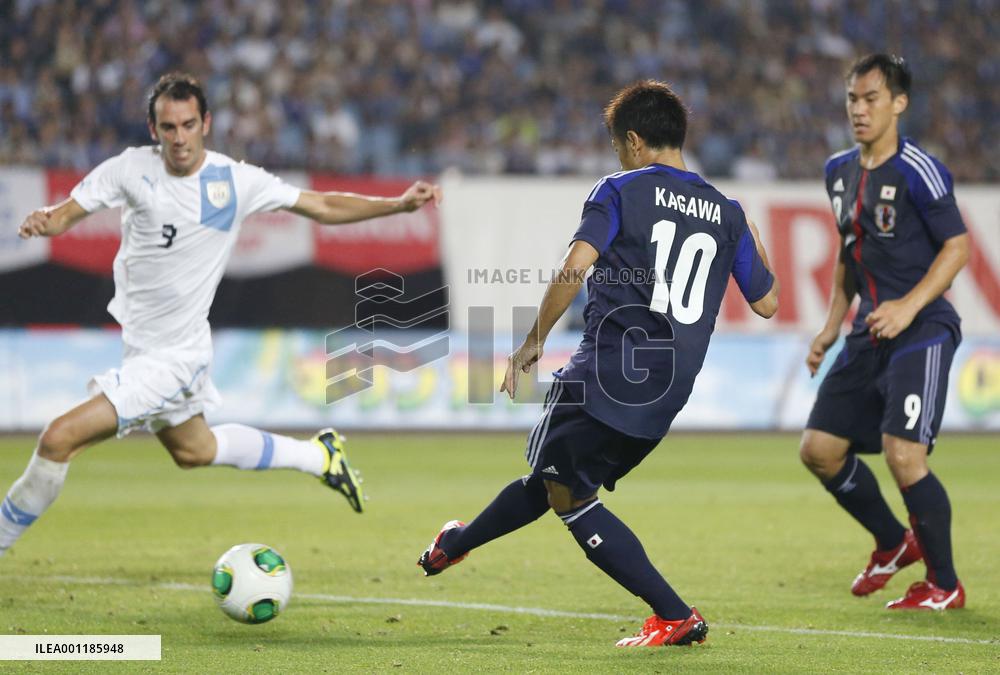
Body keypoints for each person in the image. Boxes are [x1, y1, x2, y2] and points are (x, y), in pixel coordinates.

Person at [1, 72, 442, 556]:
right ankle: (319, 457)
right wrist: (46, 220)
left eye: (188, 125)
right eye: (169, 127)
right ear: (153, 130)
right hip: (143, 349)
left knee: (58, 438)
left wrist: (396, 205)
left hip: (176, 358)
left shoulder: (233, 181)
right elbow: (66, 213)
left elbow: (321, 205)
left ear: (206, 123)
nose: (179, 138)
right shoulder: (129, 169)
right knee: (196, 450)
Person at [417, 80, 778, 647]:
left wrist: (532, 342)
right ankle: (453, 546)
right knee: (560, 481)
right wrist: (752, 237)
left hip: (607, 372)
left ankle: (675, 615)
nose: (618, 156)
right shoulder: (728, 214)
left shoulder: (619, 189)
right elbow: (767, 302)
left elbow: (574, 268)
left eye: (616, 146)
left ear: (633, 141)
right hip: (668, 390)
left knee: (567, 492)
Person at [800, 54, 969, 610]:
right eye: (853, 98)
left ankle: (944, 585)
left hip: (922, 329)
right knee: (819, 450)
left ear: (898, 103)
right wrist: (829, 328)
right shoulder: (838, 171)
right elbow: (849, 254)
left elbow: (957, 247)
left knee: (904, 455)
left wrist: (908, 306)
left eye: (871, 98)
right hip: (867, 331)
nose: (859, 109)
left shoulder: (919, 169)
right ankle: (895, 542)